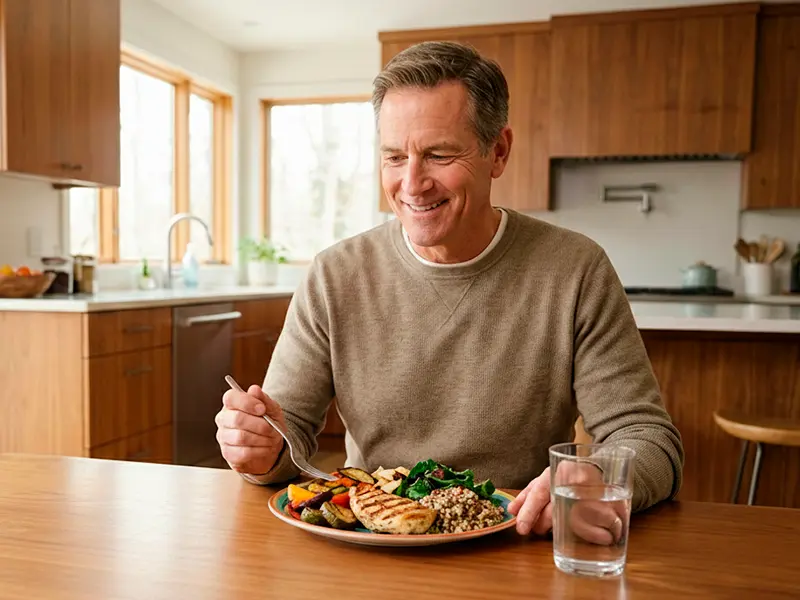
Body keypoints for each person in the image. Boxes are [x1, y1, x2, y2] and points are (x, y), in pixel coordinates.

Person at [215, 41, 684, 539]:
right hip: (373, 544)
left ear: (498, 152)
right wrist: (259, 451)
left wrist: (594, 476)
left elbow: (650, 439)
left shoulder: (574, 269)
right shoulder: (334, 275)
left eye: (438, 154)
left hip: (516, 541)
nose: (412, 184)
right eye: (394, 157)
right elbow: (287, 445)